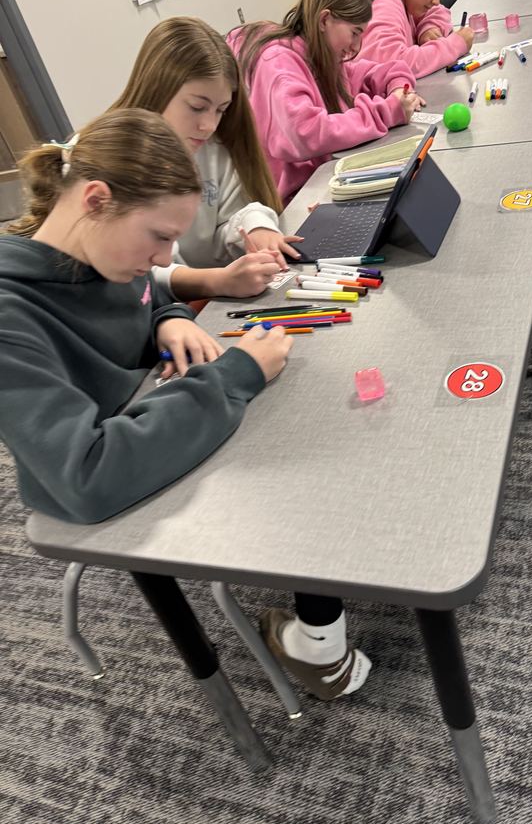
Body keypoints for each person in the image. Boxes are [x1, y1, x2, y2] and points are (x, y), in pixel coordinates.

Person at [0, 108, 369, 699]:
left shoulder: (100, 249)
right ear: (95, 200)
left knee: (318, 445)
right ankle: (319, 653)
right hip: (125, 488)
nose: (165, 257)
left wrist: (168, 318)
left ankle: (322, 628)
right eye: (159, 237)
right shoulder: (11, 315)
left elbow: (147, 294)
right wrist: (236, 376)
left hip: (167, 426)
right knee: (301, 483)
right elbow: (86, 478)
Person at [111, 16, 300, 301]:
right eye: (197, 107)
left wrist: (256, 226)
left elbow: (230, 217)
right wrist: (215, 281)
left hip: (203, 304)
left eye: (221, 110)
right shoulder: (114, 158)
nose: (209, 125)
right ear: (157, 88)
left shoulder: (211, 148)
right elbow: (140, 272)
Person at [228, 0, 423, 202]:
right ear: (324, 20)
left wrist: (399, 90)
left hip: (326, 181)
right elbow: (306, 132)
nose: (356, 46)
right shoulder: (278, 64)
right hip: (296, 201)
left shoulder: (324, 56)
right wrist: (387, 112)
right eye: (354, 33)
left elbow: (384, 70)